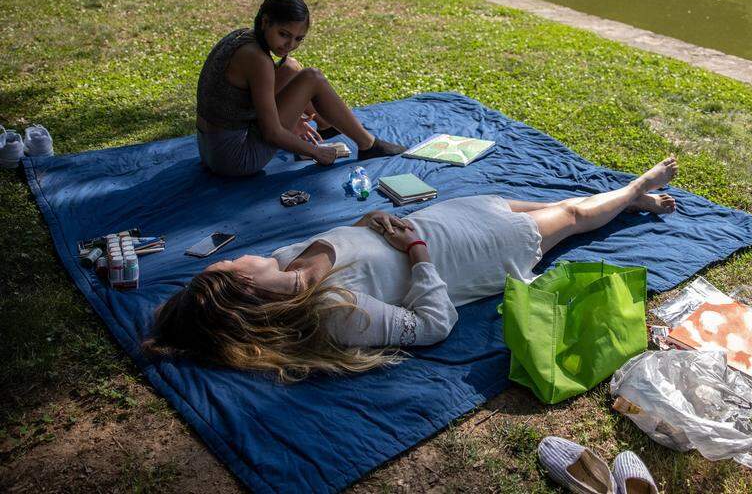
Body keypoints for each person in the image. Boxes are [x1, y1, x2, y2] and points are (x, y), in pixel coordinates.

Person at [144, 157, 680, 381]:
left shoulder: (287, 261)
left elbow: (350, 243)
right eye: (231, 261)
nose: (235, 254)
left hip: (433, 219)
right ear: (242, 283)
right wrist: (418, 250)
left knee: (543, 205)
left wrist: (368, 218)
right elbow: (433, 325)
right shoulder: (333, 313)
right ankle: (636, 190)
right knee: (569, 217)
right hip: (465, 252)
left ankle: (624, 202)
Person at [196, 0, 405, 176]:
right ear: (266, 21)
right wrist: (316, 152)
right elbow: (272, 133)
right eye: (284, 34)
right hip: (234, 160)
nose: (290, 45)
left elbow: (237, 101)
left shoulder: (241, 37)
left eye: (299, 39)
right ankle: (368, 144)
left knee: (291, 66)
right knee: (312, 77)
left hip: (208, 149)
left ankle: (325, 124)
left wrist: (291, 120)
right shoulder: (258, 60)